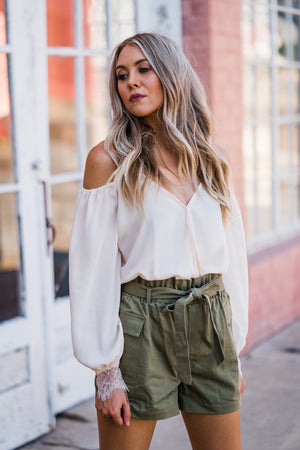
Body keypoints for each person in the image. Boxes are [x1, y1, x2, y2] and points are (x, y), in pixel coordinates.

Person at [69, 32, 248, 450]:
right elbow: (92, 272)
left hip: (210, 320)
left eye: (143, 69)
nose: (131, 82)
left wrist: (232, 344)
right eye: (121, 75)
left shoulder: (211, 160)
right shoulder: (107, 161)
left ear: (171, 74)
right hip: (140, 326)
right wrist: (105, 371)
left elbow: (232, 259)